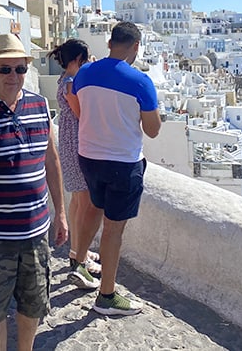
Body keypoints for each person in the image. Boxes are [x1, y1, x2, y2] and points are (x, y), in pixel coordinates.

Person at [0, 34, 68, 351]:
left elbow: (51, 161)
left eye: (19, 69)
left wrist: (60, 214)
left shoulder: (40, 105)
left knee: (33, 305)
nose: (13, 77)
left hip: (36, 234)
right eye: (5, 69)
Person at [71, 21, 161, 315]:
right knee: (113, 230)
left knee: (92, 209)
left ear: (109, 43)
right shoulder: (140, 82)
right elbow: (153, 130)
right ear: (135, 46)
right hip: (123, 162)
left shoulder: (83, 73)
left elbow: (79, 107)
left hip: (89, 156)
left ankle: (79, 263)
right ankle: (106, 296)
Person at [49, 39, 102, 288]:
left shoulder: (64, 80)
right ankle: (79, 259)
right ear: (76, 59)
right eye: (86, 57)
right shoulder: (71, 84)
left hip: (71, 144)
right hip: (77, 145)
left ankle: (77, 250)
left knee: (77, 202)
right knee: (83, 203)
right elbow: (83, 114)